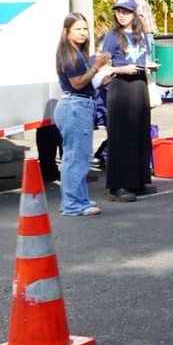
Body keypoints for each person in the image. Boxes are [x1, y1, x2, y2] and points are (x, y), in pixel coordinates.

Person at [101, 0, 159, 202]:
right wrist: (121, 69)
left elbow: (146, 59)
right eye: (118, 11)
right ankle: (118, 185)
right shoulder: (111, 37)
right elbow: (101, 65)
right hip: (121, 87)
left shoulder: (141, 36)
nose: (121, 15)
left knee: (140, 133)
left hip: (139, 85)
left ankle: (138, 181)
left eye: (125, 12)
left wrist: (151, 66)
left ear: (134, 14)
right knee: (121, 136)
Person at [54, 13, 111, 216]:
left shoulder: (77, 52)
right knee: (77, 158)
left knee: (79, 156)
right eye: (78, 29)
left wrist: (99, 78)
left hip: (79, 105)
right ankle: (73, 204)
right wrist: (97, 67)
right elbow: (77, 83)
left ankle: (79, 199)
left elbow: (83, 82)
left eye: (85, 29)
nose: (83, 33)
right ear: (67, 31)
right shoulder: (68, 54)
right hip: (75, 107)